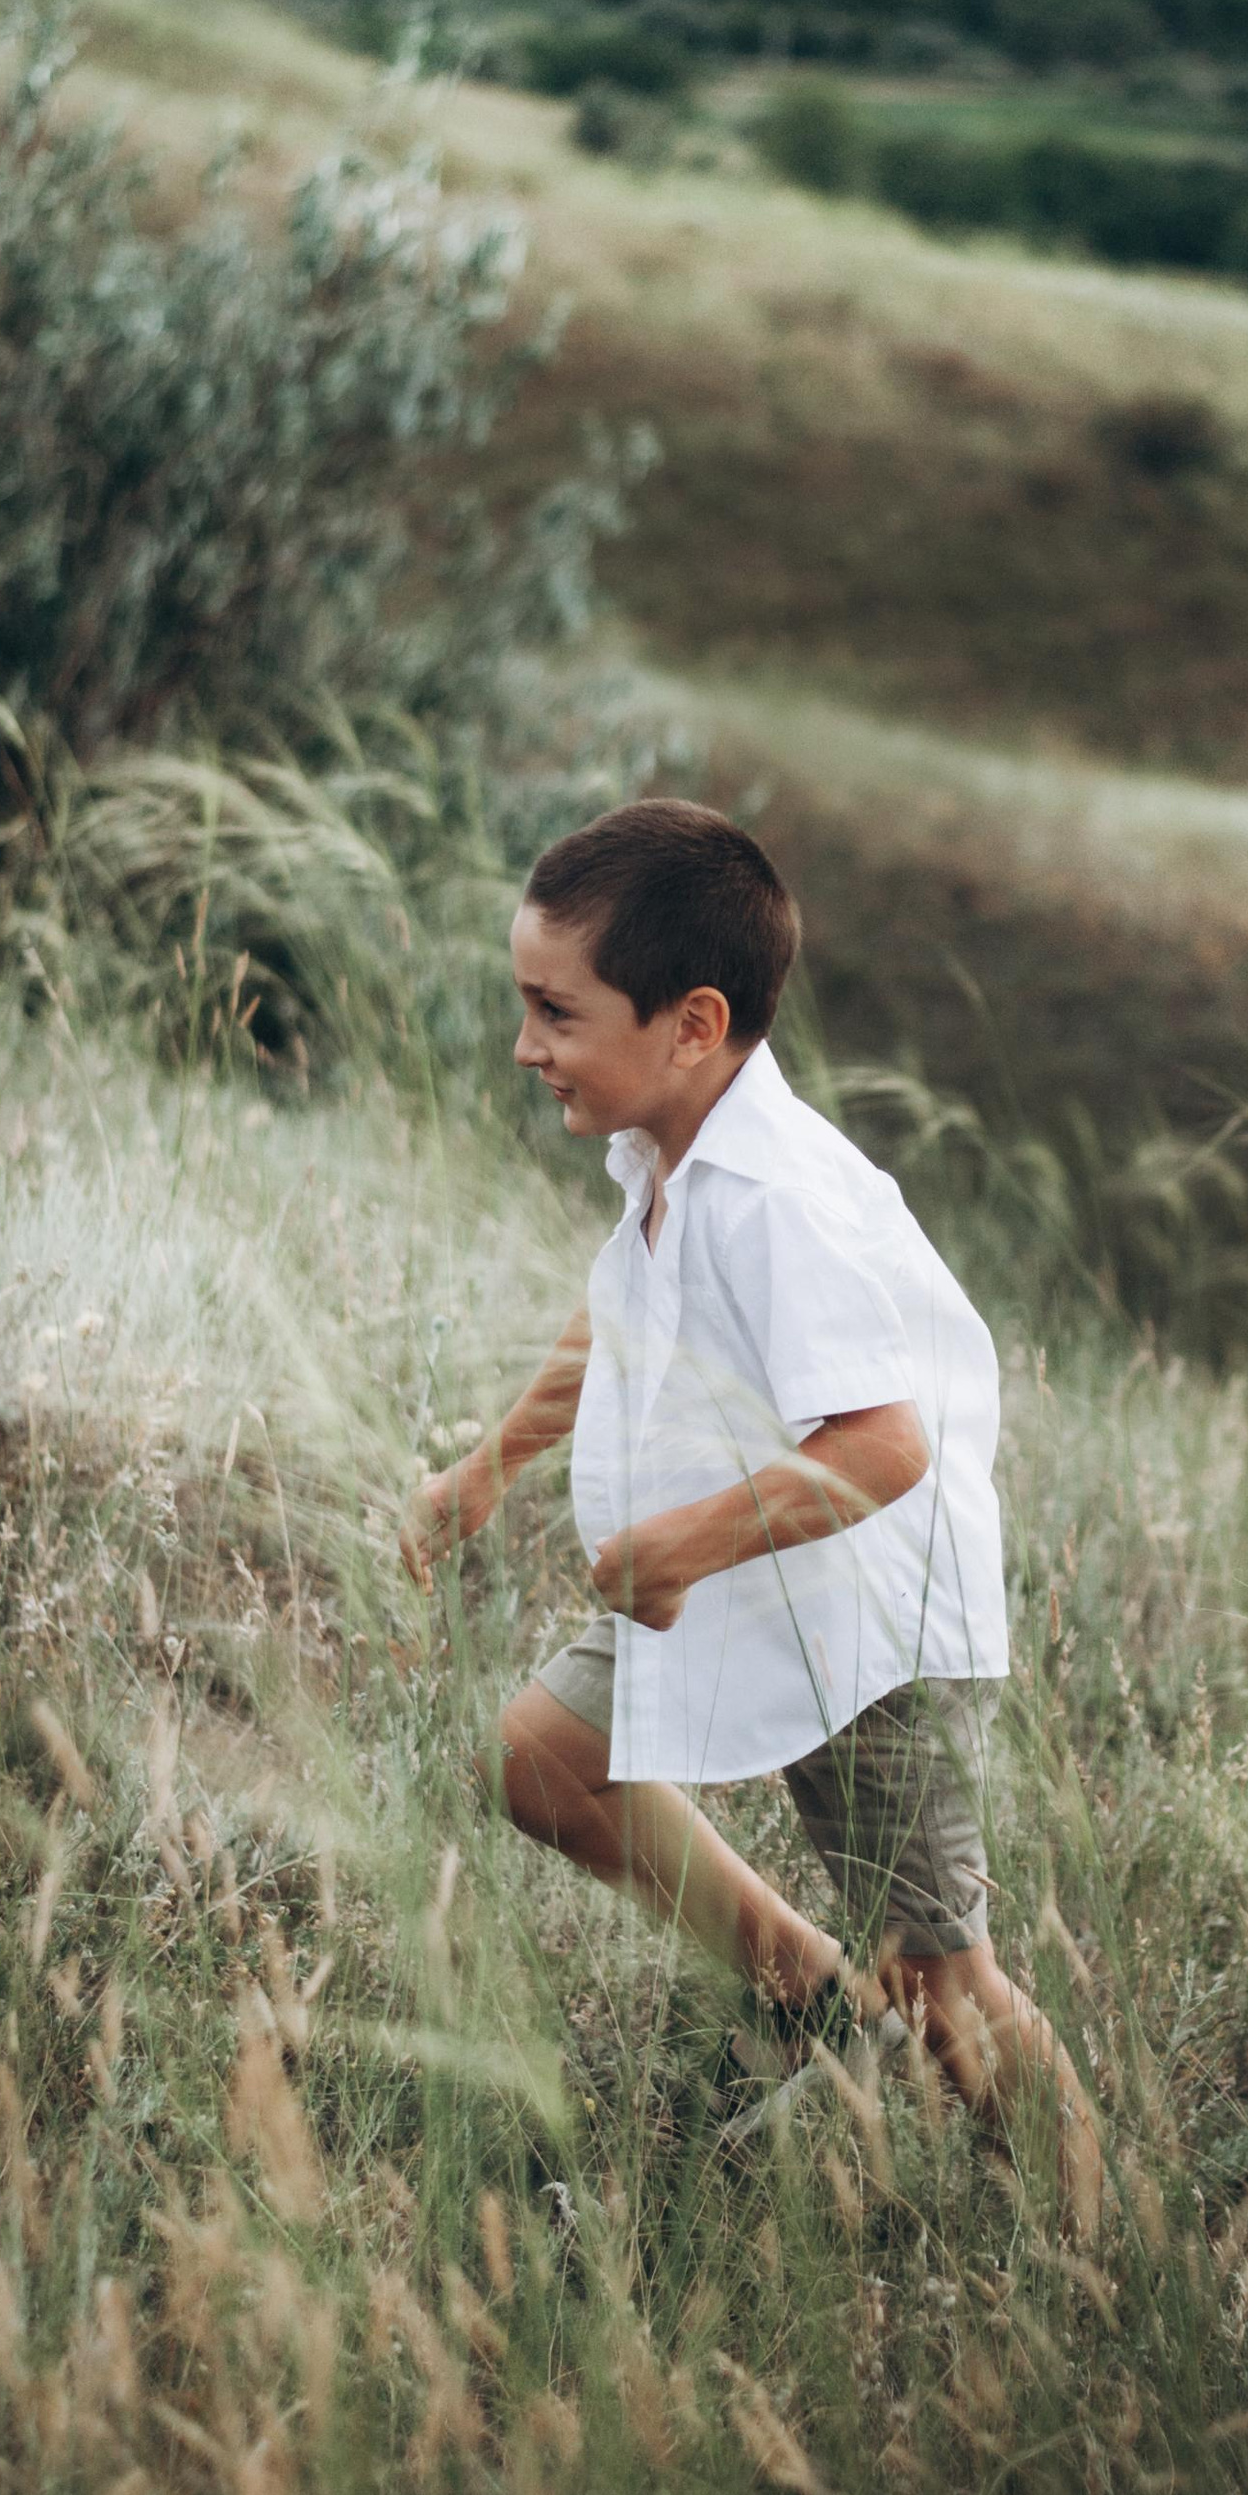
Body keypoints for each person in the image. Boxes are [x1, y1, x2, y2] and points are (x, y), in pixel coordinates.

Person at [403, 796, 1101, 2241]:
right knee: (541, 1764)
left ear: (692, 1024)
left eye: (554, 1011)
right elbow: (618, 1319)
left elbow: (887, 1444)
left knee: (948, 1983)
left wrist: (679, 1547)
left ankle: (1123, 2252)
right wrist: (486, 1470)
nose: (526, 1047)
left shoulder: (780, 1198)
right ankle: (814, 2003)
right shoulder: (671, 1149)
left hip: (867, 1628)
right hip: (747, 1579)